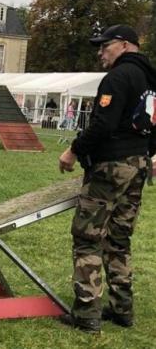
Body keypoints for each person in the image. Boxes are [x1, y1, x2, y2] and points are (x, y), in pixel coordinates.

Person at [58, 24, 156, 333]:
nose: (101, 53)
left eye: (105, 46)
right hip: (138, 165)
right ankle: (122, 308)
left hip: (112, 166)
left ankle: (86, 312)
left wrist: (73, 151)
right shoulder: (151, 80)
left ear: (125, 45)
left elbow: (103, 124)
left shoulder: (118, 77)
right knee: (119, 238)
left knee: (88, 236)